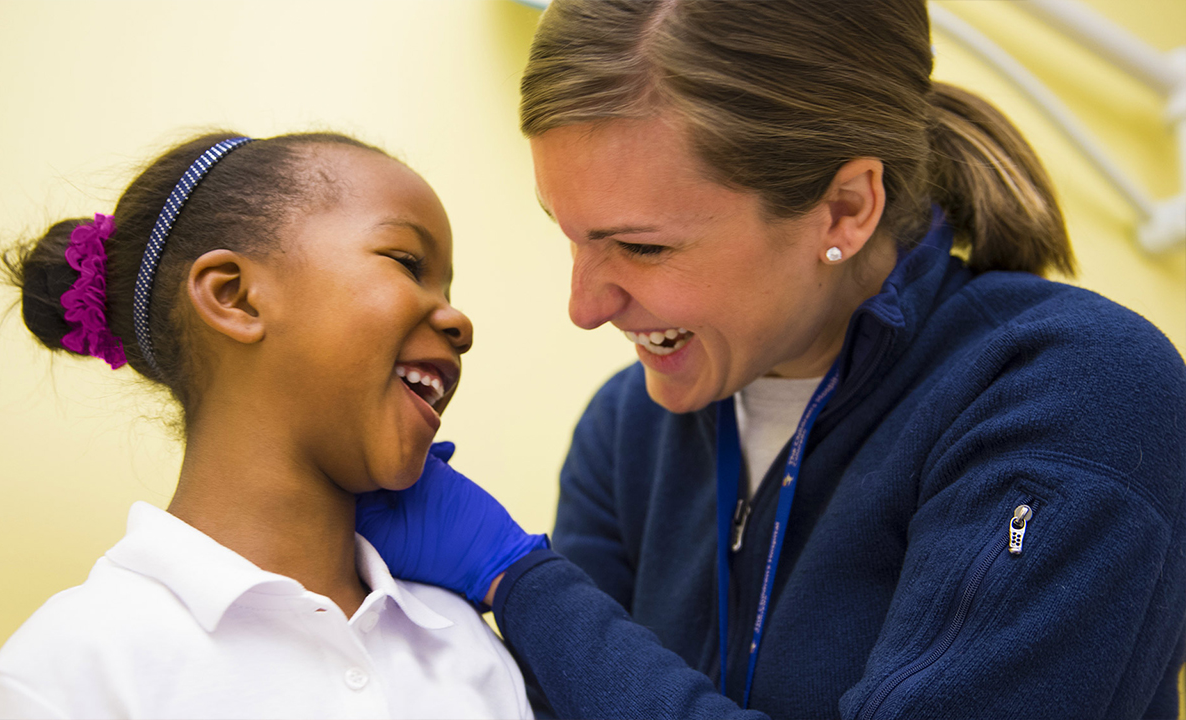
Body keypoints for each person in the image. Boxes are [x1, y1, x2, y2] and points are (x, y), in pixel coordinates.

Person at [354, 1, 1186, 719]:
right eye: (567, 233)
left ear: (846, 210)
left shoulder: (1071, 394)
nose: (585, 307)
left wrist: (521, 581)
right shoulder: (626, 436)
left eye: (642, 247)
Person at [0, 131, 538, 719]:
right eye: (407, 263)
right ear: (233, 297)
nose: (459, 321)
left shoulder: (463, 645)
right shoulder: (65, 678)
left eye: (447, 287)